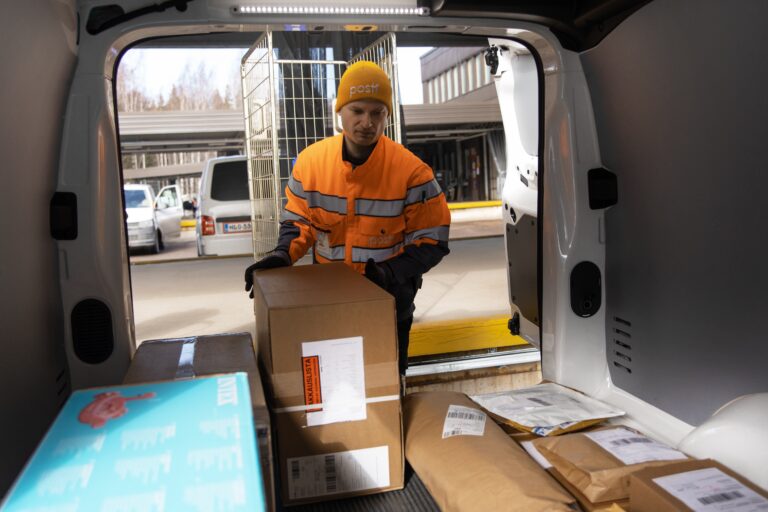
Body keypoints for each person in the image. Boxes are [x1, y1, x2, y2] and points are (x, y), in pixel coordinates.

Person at [244, 60, 451, 375]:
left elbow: (433, 241)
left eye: (377, 112)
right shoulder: (310, 164)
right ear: (339, 111)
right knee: (335, 389)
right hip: (329, 304)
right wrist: (281, 255)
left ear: (387, 116)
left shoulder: (412, 172)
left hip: (390, 304)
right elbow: (300, 224)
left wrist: (389, 273)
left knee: (386, 391)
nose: (367, 122)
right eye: (357, 111)